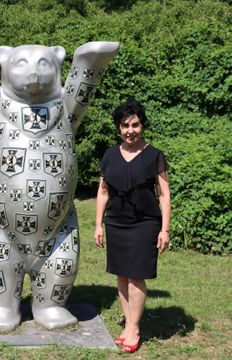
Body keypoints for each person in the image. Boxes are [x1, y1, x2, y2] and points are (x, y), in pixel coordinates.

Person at [94, 99, 171, 353]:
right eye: (125, 125)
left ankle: (134, 328)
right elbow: (103, 192)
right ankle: (128, 324)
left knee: (136, 276)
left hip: (145, 224)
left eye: (135, 125)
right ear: (119, 127)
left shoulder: (154, 155)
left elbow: (163, 195)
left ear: (142, 126)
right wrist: (98, 225)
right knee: (122, 275)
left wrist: (165, 229)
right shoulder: (109, 155)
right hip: (116, 223)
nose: (130, 130)